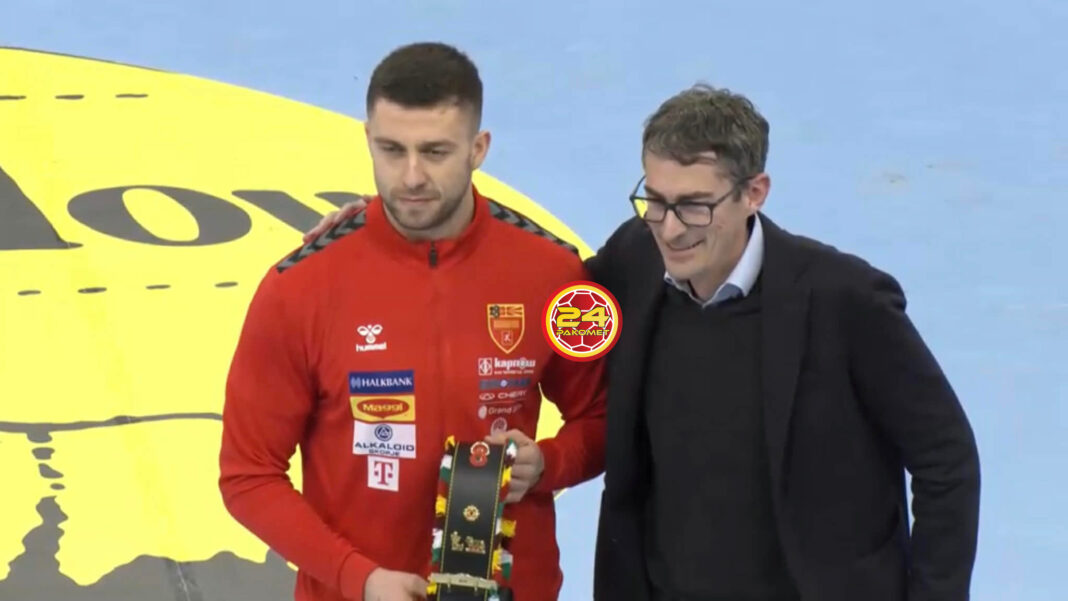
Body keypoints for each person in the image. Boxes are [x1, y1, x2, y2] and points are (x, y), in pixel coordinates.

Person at [307, 85, 981, 600]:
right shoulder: (634, 262)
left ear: (754, 193)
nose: (671, 228)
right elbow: (530, 273)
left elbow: (946, 458)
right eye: (654, 200)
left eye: (694, 205)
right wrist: (389, 226)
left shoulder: (845, 302)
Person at [219, 42, 607, 601]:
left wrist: (549, 462)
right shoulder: (298, 288)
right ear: (367, 139)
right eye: (391, 150)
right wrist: (358, 577)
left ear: (478, 148)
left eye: (435, 152)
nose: (411, 176)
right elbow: (248, 475)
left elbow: (604, 419)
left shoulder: (554, 272)